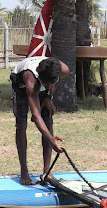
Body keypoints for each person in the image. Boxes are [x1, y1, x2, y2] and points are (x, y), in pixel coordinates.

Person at [10, 56, 69, 185]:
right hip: (20, 86)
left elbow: (54, 83)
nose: (47, 86)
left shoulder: (63, 70)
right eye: (45, 84)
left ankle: (47, 171)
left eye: (50, 84)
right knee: (22, 124)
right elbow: (36, 115)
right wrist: (51, 139)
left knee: (48, 118)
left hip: (41, 84)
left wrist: (48, 96)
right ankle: (24, 171)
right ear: (40, 79)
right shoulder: (31, 79)